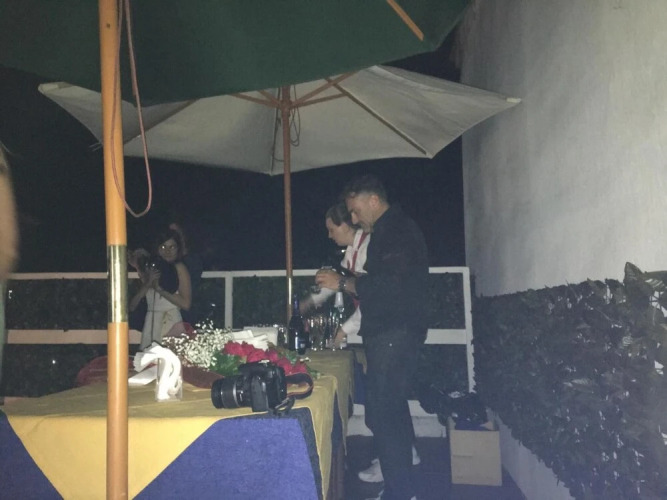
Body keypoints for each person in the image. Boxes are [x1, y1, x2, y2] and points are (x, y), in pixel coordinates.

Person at [316, 175, 429, 500]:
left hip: (394, 332)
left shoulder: (396, 231)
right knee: (387, 410)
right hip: (391, 331)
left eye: (355, 210)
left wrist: (342, 283)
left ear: (374, 201)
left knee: (383, 413)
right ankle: (400, 487)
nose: (353, 218)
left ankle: (400, 492)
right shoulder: (390, 231)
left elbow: (387, 286)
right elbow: (384, 283)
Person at [302, 202, 369, 347]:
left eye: (331, 230)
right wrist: (308, 302)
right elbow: (335, 283)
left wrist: (343, 331)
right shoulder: (352, 251)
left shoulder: (367, 248)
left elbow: (371, 297)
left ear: (345, 226)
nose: (329, 235)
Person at [130, 229, 192, 350]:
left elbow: (186, 303)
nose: (167, 251)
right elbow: (134, 303)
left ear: (178, 249)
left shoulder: (179, 268)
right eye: (163, 247)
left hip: (171, 321)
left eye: (172, 247)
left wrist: (160, 290)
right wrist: (140, 269)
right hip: (152, 322)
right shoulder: (153, 267)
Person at [168, 220, 203, 326]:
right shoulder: (165, 262)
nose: (174, 236)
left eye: (176, 233)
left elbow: (190, 289)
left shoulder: (192, 260)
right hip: (167, 312)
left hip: (185, 313)